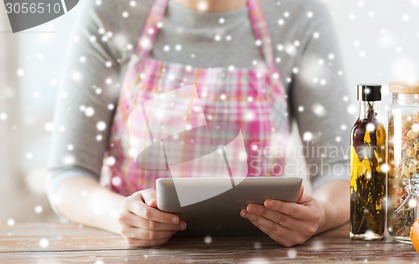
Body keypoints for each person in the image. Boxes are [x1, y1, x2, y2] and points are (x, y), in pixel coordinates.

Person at [47, 0, 351, 247]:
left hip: (260, 261)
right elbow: (68, 175)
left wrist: (321, 213)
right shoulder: (110, 11)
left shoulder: (299, 15)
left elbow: (338, 168)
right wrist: (120, 215)